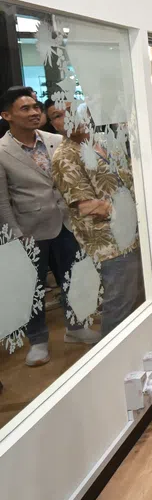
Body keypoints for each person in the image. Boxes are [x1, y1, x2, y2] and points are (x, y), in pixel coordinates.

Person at [0, 87, 97, 366]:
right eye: (25, 109)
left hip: (66, 222)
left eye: (35, 107)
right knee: (33, 287)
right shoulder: (2, 151)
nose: (34, 113)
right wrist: (16, 234)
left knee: (74, 277)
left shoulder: (55, 140)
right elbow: (3, 200)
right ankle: (38, 340)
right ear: (6, 115)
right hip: (30, 228)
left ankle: (76, 327)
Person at [50, 105, 144, 334]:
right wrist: (133, 212)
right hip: (110, 241)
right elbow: (87, 206)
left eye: (72, 109)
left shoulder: (103, 141)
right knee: (120, 303)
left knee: (138, 297)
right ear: (53, 124)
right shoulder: (65, 156)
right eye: (58, 115)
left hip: (134, 231)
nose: (69, 118)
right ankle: (117, 353)